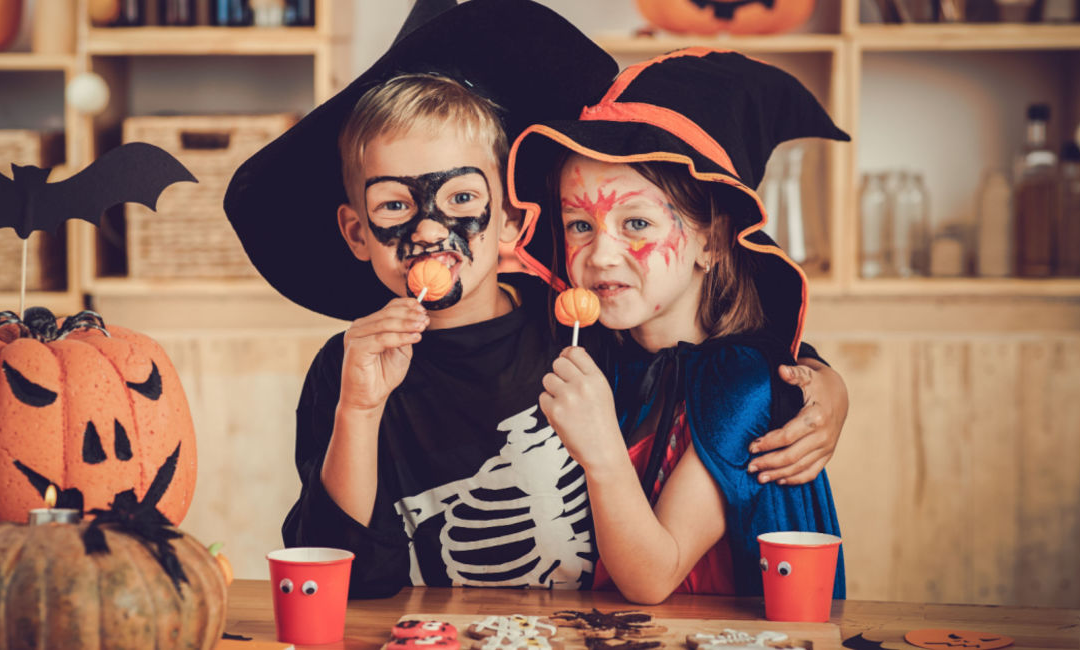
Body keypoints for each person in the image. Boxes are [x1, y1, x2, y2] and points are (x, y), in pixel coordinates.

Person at [225, 1, 846, 598]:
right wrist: (357, 411)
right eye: (395, 205)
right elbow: (341, 579)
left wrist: (818, 384)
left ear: (512, 222)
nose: (428, 231)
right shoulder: (347, 371)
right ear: (357, 232)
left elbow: (719, 359)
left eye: (462, 200)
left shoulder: (580, 329)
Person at [507, 48, 850, 604]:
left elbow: (652, 577)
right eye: (579, 224)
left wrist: (599, 448)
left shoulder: (743, 384)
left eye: (636, 223)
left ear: (712, 241)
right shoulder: (596, 353)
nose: (600, 255)